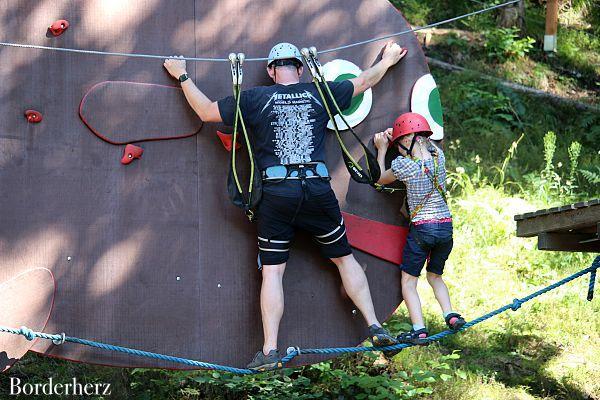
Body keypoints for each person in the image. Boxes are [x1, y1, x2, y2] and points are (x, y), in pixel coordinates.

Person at [164, 41, 407, 370]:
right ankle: (375, 326)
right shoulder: (319, 93)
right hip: (317, 190)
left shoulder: (254, 98)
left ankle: (269, 352)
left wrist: (181, 76)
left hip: (277, 195)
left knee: (274, 272)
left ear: (270, 71)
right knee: (344, 258)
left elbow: (207, 112)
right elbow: (364, 81)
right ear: (301, 69)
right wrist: (389, 60)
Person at [372, 112, 466, 345]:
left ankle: (419, 329)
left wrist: (383, 148)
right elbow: (423, 142)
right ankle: (451, 316)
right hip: (446, 229)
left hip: (423, 230)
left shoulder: (404, 166)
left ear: (406, 141)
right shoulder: (439, 157)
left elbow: (380, 178)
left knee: (408, 282)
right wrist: (407, 136)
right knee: (435, 276)